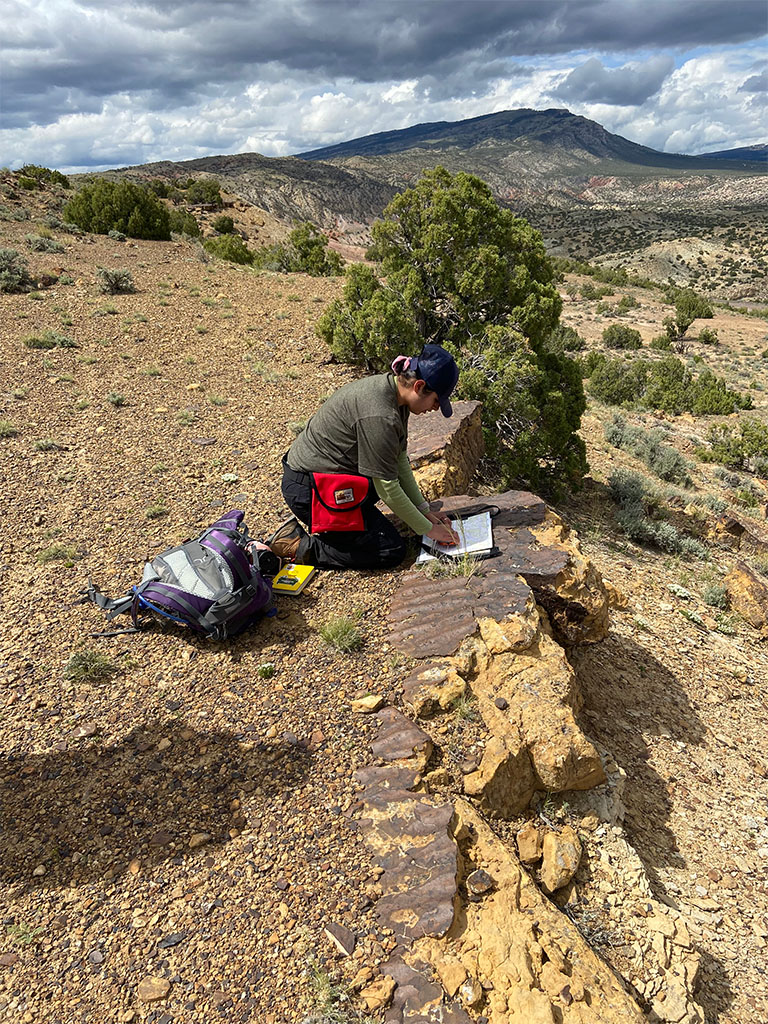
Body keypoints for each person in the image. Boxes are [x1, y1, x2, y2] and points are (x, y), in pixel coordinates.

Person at [265, 344, 461, 570]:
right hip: (310, 491)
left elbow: (398, 461)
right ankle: (298, 545)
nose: (436, 408)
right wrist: (427, 529)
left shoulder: (396, 395)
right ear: (419, 386)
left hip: (328, 477)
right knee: (390, 551)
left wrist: (424, 511)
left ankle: (341, 530)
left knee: (381, 493)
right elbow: (387, 487)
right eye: (437, 401)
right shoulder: (381, 415)